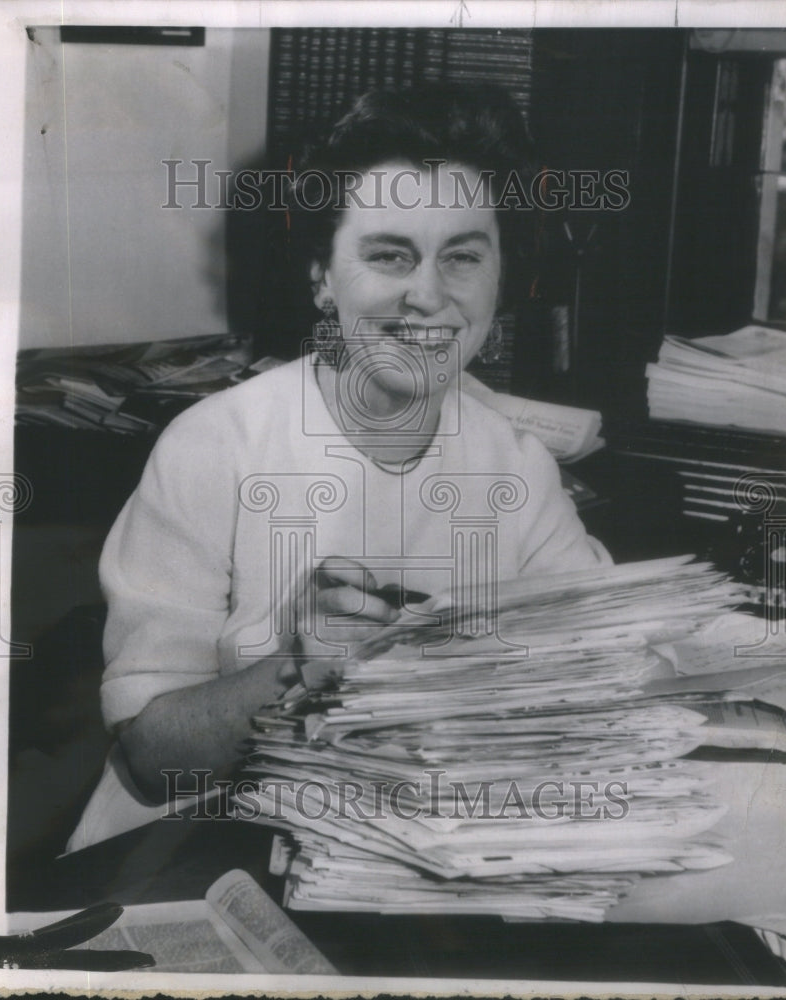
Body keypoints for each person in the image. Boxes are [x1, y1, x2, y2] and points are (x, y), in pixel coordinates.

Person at [66, 84, 611, 852]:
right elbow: (151, 759)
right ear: (322, 277)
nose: (428, 296)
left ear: (500, 278)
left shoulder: (517, 469)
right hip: (197, 850)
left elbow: (599, 668)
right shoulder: (214, 447)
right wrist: (299, 666)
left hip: (419, 848)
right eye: (389, 255)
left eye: (462, 257)